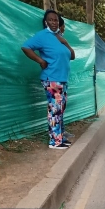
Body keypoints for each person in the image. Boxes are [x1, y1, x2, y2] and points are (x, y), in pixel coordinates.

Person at [21, 9, 75, 149]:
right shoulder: (42, 36)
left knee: (60, 109)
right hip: (51, 78)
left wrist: (65, 42)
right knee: (55, 110)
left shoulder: (59, 36)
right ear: (45, 22)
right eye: (51, 19)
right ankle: (55, 142)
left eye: (56, 20)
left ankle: (60, 137)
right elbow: (25, 47)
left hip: (62, 79)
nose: (54, 22)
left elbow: (72, 55)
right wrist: (40, 60)